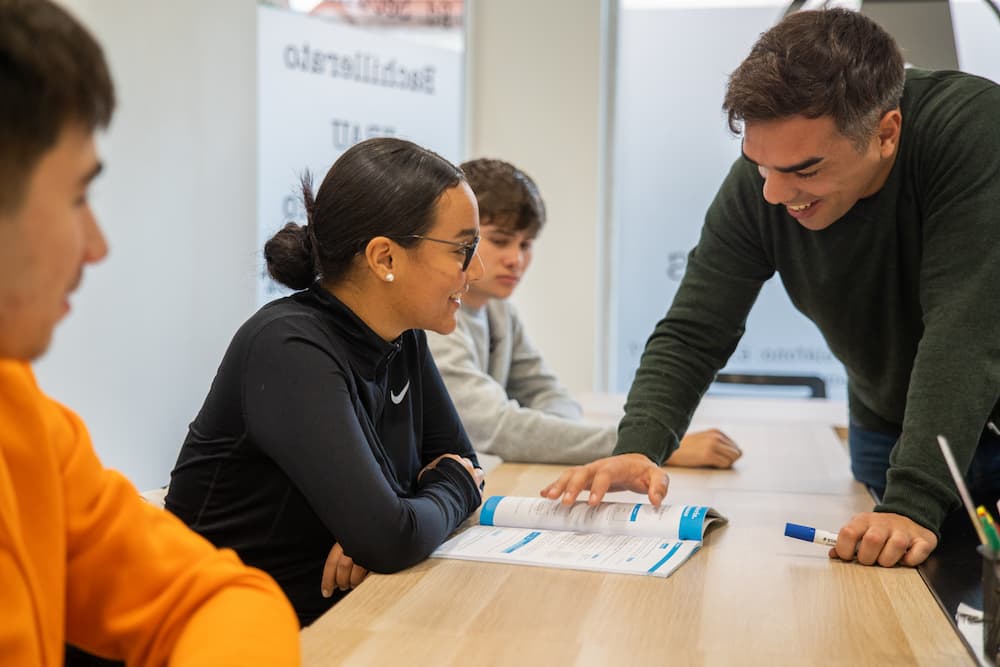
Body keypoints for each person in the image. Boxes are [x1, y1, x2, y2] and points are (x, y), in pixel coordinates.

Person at [541, 8, 1000, 568]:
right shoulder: (766, 182)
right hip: (892, 420)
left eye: (804, 170)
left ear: (886, 133)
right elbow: (694, 329)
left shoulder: (972, 130)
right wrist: (638, 447)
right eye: (760, 165)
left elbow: (965, 330)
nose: (775, 196)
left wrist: (912, 501)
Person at [0, 1, 299, 664]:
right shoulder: (290, 341)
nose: (97, 245)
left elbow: (218, 596)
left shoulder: (22, 416)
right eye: (79, 196)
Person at [165, 137, 487, 627]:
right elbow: (401, 529)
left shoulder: (404, 338)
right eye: (464, 249)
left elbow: (463, 468)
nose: (476, 271)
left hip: (335, 618)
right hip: (221, 633)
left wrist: (392, 520)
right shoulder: (287, 346)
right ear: (385, 259)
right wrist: (391, 523)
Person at [427, 157, 742, 468]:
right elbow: (498, 428)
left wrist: (544, 439)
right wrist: (643, 448)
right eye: (499, 241)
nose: (515, 259)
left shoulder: (499, 310)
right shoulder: (432, 319)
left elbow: (549, 395)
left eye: (526, 245)